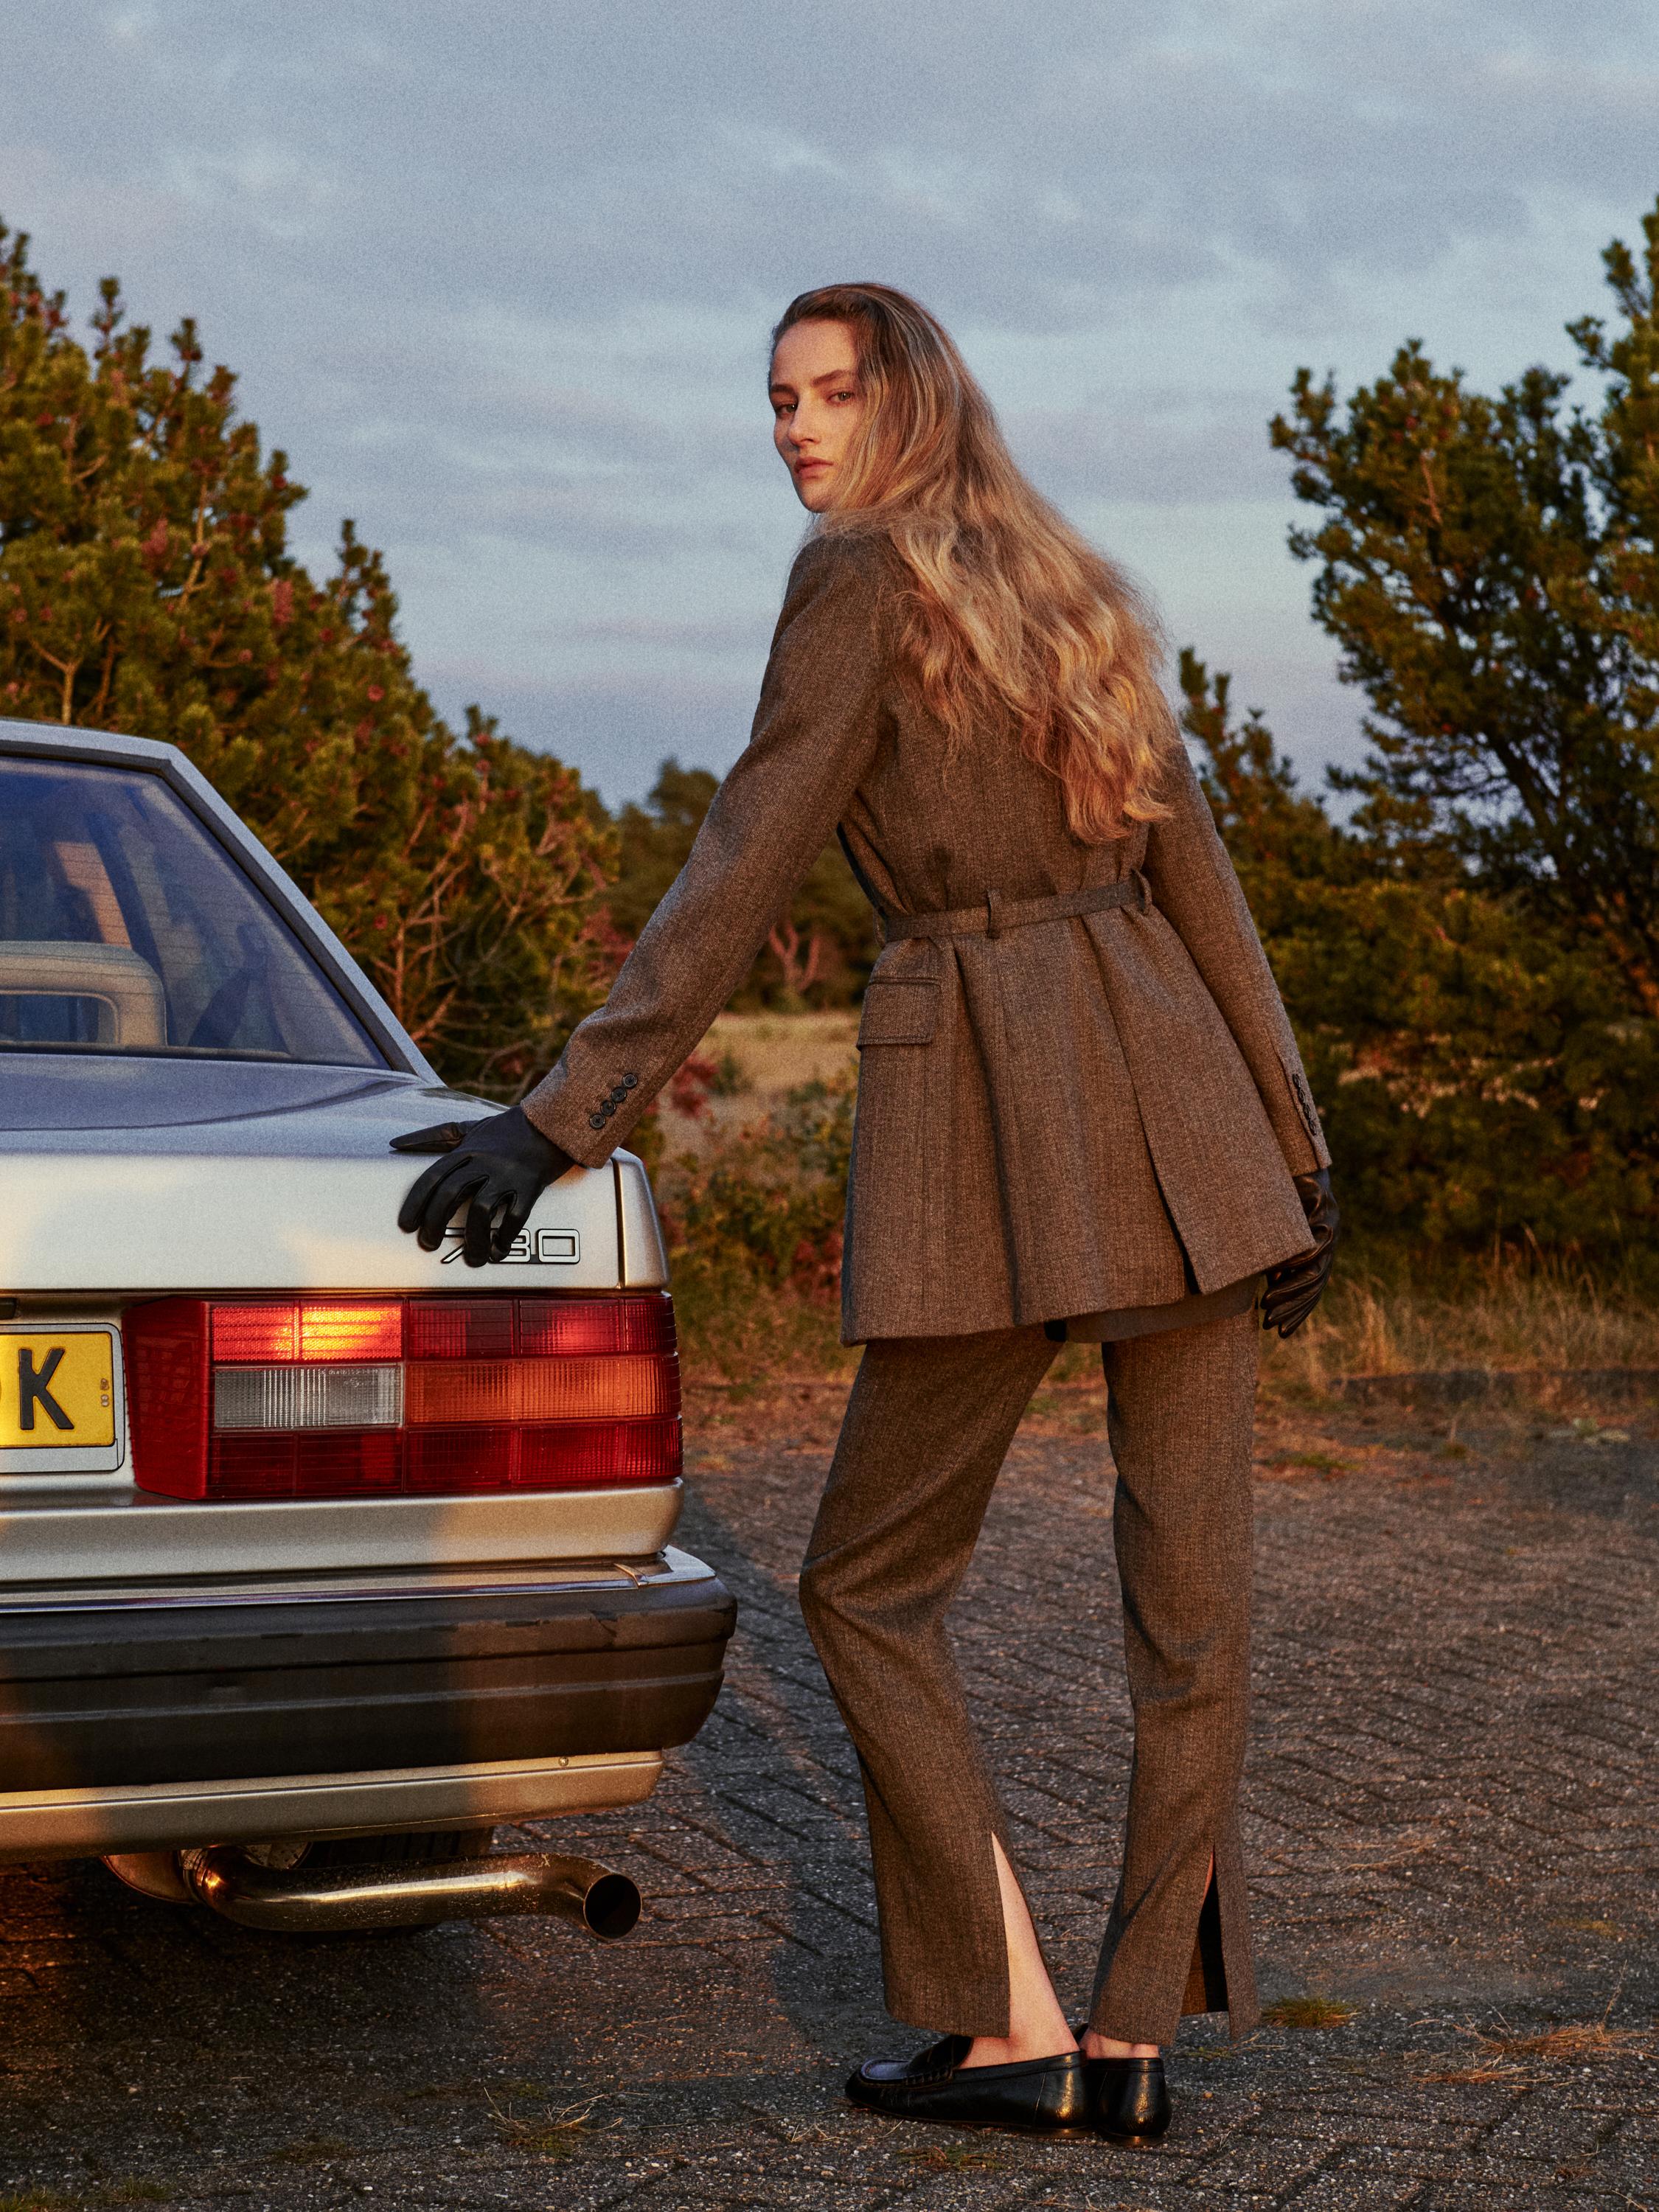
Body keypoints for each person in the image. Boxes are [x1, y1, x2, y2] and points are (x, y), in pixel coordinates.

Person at [395, 283, 1338, 2145]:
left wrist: (562, 1113)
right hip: (1176, 1100)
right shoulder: (1064, 580)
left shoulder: (858, 580)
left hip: (998, 1109)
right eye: (775, 397)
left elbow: (748, 851)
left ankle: (1018, 2030)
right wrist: (1289, 1135)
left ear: (909, 399)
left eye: (828, 393)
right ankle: (1127, 2044)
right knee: (1192, 1616)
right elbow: (1189, 866)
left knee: (866, 1582)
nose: (794, 428)